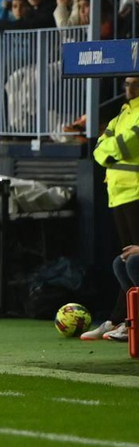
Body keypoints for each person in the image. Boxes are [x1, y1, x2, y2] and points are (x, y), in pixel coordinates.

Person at [85, 75, 139, 342]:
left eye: (135, 83)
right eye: (126, 84)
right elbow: (98, 148)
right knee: (126, 260)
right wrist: (109, 150)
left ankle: (125, 321)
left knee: (133, 260)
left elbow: (128, 143)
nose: (129, 89)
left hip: (137, 192)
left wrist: (109, 150)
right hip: (117, 194)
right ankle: (121, 319)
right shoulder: (122, 113)